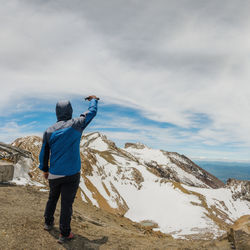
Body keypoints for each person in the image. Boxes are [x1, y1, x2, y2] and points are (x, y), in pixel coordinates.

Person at [38, 95, 98, 243]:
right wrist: (94, 100)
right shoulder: (77, 123)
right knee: (66, 204)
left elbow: (44, 153)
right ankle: (64, 234)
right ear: (70, 111)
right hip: (72, 174)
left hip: (54, 173)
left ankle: (48, 223)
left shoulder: (48, 131)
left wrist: (45, 170)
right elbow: (91, 113)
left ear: (57, 112)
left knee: (52, 198)